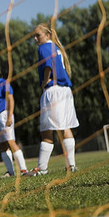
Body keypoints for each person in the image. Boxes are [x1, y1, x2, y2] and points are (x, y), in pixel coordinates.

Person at [26, 23, 79, 176]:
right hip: (65, 91)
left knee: (47, 131)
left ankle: (42, 169)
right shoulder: (56, 48)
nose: (36, 39)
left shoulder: (43, 48)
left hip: (53, 91)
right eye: (34, 36)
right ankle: (71, 166)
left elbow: (48, 65)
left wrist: (44, 80)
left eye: (38, 35)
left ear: (47, 35)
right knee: (65, 128)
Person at [0, 63, 28, 177]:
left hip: (4, 114)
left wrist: (9, 116)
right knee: (2, 145)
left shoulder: (4, 83)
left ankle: (23, 170)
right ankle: (10, 171)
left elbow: (10, 100)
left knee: (11, 142)